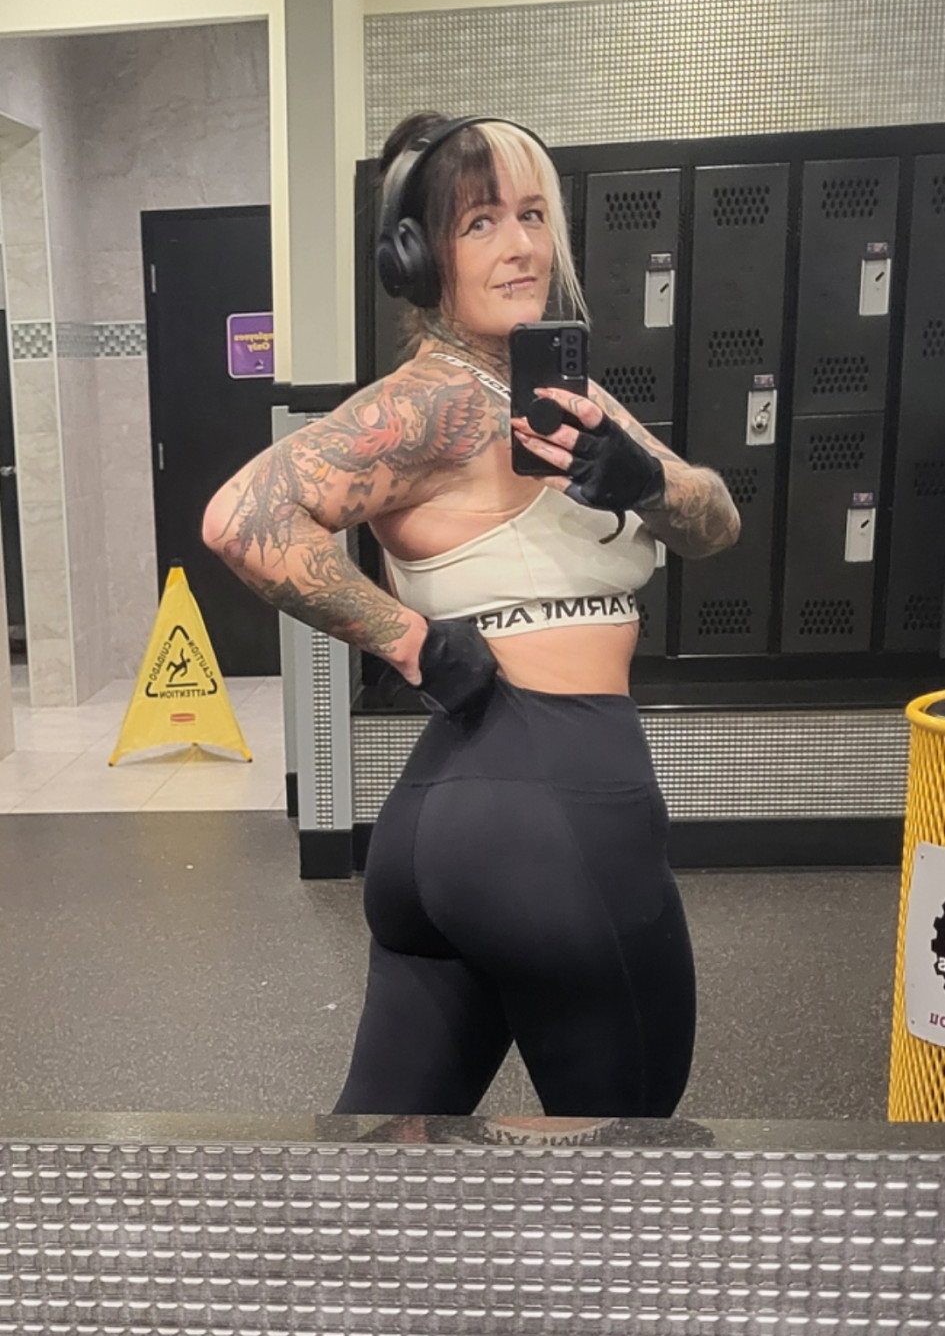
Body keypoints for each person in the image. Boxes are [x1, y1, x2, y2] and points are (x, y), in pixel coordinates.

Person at [202, 113, 740, 1116]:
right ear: (419, 257)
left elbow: (717, 522)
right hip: (558, 812)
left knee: (385, 1166)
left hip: (441, 824)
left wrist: (648, 479)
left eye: (533, 215)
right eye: (481, 222)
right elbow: (241, 518)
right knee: (623, 1165)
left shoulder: (564, 396)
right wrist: (407, 639)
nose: (521, 245)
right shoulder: (434, 403)